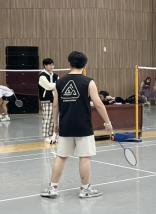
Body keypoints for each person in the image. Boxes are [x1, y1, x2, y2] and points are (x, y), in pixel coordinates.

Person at [41, 51, 114, 199]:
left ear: (69, 63)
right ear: (85, 65)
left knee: (61, 157)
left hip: (65, 125)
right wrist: (108, 122)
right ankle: (85, 189)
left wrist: (56, 124)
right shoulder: (89, 82)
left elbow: (55, 105)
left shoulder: (59, 82)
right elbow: (99, 104)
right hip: (83, 126)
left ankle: (52, 188)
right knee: (85, 157)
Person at [39, 58, 59, 144]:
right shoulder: (42, 76)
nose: (52, 66)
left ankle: (53, 136)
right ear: (45, 66)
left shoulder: (55, 76)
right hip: (46, 100)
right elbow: (48, 86)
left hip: (55, 100)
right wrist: (56, 84)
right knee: (47, 118)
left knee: (54, 119)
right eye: (50, 65)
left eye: (52, 65)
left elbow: (58, 86)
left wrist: (56, 85)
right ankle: (46, 136)